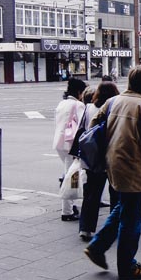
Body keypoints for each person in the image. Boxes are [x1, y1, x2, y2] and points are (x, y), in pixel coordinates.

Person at [83, 65, 141, 280]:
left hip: (113, 166)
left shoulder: (114, 101)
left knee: (123, 208)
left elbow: (93, 125)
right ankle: (127, 266)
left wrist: (110, 146)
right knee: (133, 218)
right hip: (133, 170)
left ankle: (97, 246)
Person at [78, 81, 120, 241]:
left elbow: (82, 130)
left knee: (91, 194)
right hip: (112, 155)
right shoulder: (115, 108)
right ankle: (113, 227)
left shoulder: (89, 108)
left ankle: (86, 228)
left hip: (92, 156)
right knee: (116, 193)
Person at [52, 77, 86, 221]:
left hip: (59, 143)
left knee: (70, 175)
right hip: (71, 145)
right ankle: (67, 211)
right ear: (79, 91)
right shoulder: (78, 105)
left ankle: (70, 206)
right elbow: (81, 127)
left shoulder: (62, 103)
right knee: (71, 177)